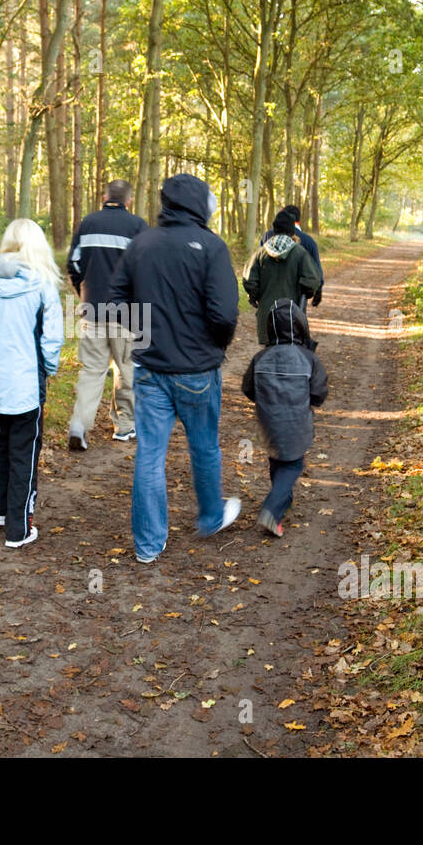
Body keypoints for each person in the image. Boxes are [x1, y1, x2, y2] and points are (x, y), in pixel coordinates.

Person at [109, 173, 242, 564]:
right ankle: (211, 516)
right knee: (204, 447)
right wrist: (215, 344)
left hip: (151, 368)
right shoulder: (212, 248)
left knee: (150, 453)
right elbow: (224, 313)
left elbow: (115, 299)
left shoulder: (141, 243)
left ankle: (148, 545)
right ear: (200, 205)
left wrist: (144, 332)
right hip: (198, 369)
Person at [0, 219, 64, 549]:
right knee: (26, 451)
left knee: (3, 443)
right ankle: (19, 528)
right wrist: (49, 369)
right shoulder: (43, 284)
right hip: (27, 381)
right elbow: (51, 339)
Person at [66, 179, 147, 451]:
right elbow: (145, 269)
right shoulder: (138, 226)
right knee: (127, 369)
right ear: (129, 201)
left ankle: (79, 424)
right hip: (130, 313)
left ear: (104, 196)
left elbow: (73, 263)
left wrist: (83, 292)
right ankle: (124, 427)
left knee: (92, 371)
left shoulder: (88, 223)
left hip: (93, 309)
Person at [241, 298, 328, 537]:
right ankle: (272, 509)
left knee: (277, 458)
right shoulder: (308, 358)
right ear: (302, 326)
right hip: (297, 420)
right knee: (292, 464)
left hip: (268, 420)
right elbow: (319, 392)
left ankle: (281, 505)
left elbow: (248, 388)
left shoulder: (260, 358)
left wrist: (266, 401)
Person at [243, 208, 322, 345]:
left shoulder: (261, 253)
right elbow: (312, 280)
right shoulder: (300, 253)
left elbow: (249, 280)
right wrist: (306, 292)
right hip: (293, 316)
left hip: (268, 317)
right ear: (292, 231)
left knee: (269, 353)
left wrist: (255, 295)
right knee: (291, 352)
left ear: (274, 230)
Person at [261, 204, 324, 308]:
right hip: (297, 298)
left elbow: (258, 265)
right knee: (295, 322)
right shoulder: (309, 242)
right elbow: (316, 271)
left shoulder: (267, 237)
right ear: (298, 220)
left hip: (269, 295)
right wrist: (318, 291)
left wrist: (254, 293)